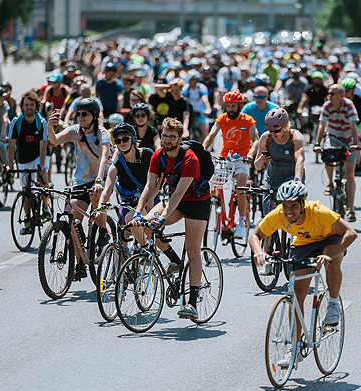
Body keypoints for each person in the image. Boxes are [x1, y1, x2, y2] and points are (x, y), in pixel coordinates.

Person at [249, 180, 358, 366]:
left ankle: (333, 305)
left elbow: (350, 233)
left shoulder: (319, 213)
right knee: (296, 296)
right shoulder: (279, 215)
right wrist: (259, 251)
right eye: (285, 206)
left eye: (293, 206)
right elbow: (255, 235)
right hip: (304, 243)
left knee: (331, 260)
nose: (288, 211)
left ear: (302, 204)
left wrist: (329, 255)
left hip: (330, 237)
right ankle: (295, 347)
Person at [134, 117, 212, 320]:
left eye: (171, 137)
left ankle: (192, 303)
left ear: (179, 139)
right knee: (147, 225)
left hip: (196, 202)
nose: (167, 140)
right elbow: (150, 186)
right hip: (175, 201)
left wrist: (163, 217)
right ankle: (175, 261)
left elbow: (178, 194)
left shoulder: (190, 159)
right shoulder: (158, 155)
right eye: (164, 136)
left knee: (192, 250)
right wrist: (138, 211)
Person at [47, 97, 112, 279]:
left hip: (102, 177)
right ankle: (80, 264)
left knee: (97, 200)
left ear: (94, 116)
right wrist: (50, 127)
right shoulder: (75, 131)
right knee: (73, 222)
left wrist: (99, 180)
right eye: (78, 114)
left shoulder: (103, 134)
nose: (80, 117)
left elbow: (104, 157)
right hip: (81, 180)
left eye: (85, 114)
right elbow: (55, 140)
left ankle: (103, 231)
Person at [203, 91, 258, 238]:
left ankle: (241, 223)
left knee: (241, 186)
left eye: (233, 106)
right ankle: (220, 213)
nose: (230, 109)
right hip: (225, 158)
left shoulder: (248, 120)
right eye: (227, 106)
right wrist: (202, 151)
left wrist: (250, 155)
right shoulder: (222, 119)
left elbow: (256, 140)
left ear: (240, 105)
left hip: (242, 159)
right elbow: (210, 136)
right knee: (215, 185)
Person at [97, 123, 156, 248]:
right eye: (118, 140)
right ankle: (122, 265)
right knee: (120, 246)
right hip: (129, 204)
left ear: (133, 139)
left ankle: (145, 248)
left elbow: (161, 178)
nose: (122, 142)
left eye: (125, 139)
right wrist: (98, 208)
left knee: (131, 219)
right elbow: (107, 191)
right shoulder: (116, 165)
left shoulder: (147, 154)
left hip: (150, 201)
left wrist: (151, 198)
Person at [313, 84, 360, 222]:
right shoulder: (327, 106)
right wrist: (317, 143)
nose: (329, 95)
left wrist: (355, 144)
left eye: (332, 93)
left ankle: (351, 209)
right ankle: (330, 183)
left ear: (341, 95)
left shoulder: (349, 105)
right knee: (327, 154)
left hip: (348, 139)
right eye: (329, 93)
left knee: (350, 174)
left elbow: (353, 126)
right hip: (333, 137)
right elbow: (322, 125)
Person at [7, 90, 52, 230]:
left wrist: (43, 165)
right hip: (24, 157)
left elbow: (44, 144)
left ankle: (45, 205)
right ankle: (27, 219)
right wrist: (10, 166)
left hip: (40, 155)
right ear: (22, 106)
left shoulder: (42, 122)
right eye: (26, 105)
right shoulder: (16, 122)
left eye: (32, 105)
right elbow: (11, 145)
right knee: (25, 189)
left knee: (42, 177)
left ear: (36, 106)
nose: (29, 107)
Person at [254, 108, 305, 215]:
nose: (274, 134)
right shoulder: (265, 138)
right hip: (273, 179)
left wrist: (298, 180)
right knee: (268, 215)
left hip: (292, 177)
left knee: (295, 213)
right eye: (270, 131)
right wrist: (261, 160)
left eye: (277, 131)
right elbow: (257, 166)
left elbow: (300, 159)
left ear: (286, 125)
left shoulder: (295, 136)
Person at [182, 70, 212, 141]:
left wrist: (208, 108)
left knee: (205, 132)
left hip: (200, 113)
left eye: (192, 79)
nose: (190, 81)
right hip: (189, 113)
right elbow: (182, 98)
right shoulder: (185, 88)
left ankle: (204, 149)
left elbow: (205, 99)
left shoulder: (201, 87)